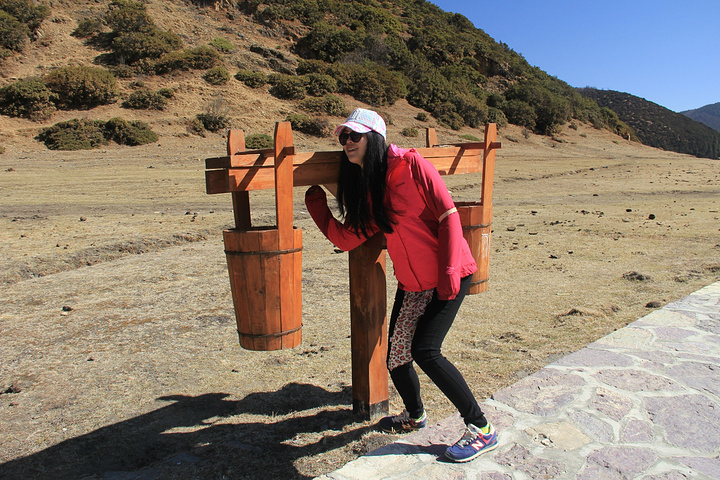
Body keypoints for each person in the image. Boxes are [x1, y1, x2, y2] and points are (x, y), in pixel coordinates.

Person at [304, 108, 497, 462]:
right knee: (396, 356)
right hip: (412, 284)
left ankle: (481, 428)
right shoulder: (371, 187)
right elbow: (347, 239)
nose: (347, 142)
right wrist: (319, 211)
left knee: (426, 351)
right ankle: (415, 415)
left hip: (449, 274)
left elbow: (448, 214)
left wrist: (449, 271)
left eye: (355, 136)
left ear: (374, 138)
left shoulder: (411, 164)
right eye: (343, 136)